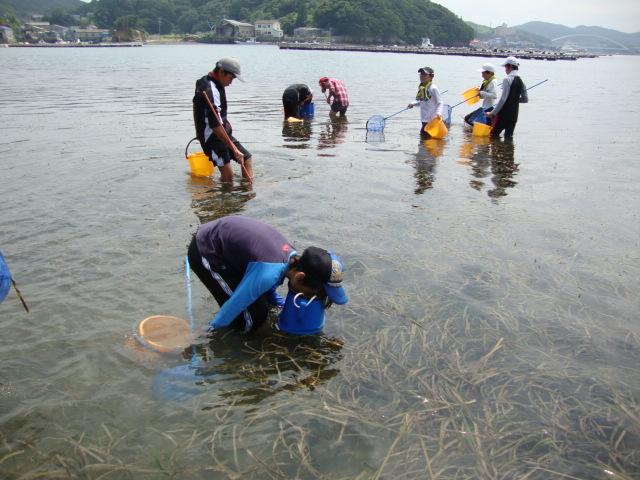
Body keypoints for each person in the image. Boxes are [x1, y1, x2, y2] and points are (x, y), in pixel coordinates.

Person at [187, 215, 348, 334]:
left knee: (263, 303)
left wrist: (277, 302)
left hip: (227, 246)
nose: (306, 297)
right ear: (299, 277)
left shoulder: (289, 257)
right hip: (206, 250)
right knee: (252, 319)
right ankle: (220, 341)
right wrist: (208, 333)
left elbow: (262, 276)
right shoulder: (269, 272)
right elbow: (233, 306)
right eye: (309, 295)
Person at [192, 57, 253, 182]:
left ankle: (249, 190)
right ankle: (221, 199)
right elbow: (215, 125)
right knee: (228, 177)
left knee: (247, 158)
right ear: (221, 72)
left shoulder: (214, 83)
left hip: (223, 134)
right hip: (212, 137)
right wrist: (234, 150)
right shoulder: (210, 89)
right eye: (231, 78)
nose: (231, 82)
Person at [486, 56, 528, 139]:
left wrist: (492, 113)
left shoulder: (507, 79)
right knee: (508, 137)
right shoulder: (521, 80)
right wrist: (514, 99)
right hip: (514, 115)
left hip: (503, 115)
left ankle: (499, 152)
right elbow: (525, 99)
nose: (505, 69)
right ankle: (508, 152)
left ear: (510, 67)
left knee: (493, 136)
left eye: (505, 67)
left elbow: (503, 99)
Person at [407, 66, 443, 137]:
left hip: (432, 120)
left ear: (431, 77)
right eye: (421, 74)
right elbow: (422, 101)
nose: (422, 76)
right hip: (424, 119)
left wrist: (438, 113)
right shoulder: (422, 88)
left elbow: (440, 102)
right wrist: (413, 104)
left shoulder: (433, 88)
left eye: (424, 75)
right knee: (423, 142)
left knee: (426, 140)